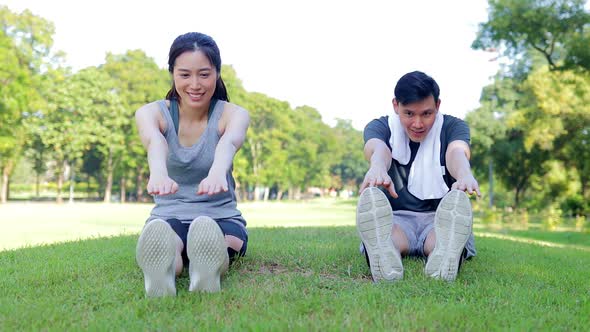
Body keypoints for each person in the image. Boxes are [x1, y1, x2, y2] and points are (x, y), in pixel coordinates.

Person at [134, 32, 250, 297]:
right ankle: (166, 270)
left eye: (204, 74)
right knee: (168, 242)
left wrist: (218, 172)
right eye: (185, 74)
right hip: (168, 219)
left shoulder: (234, 114)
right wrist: (159, 174)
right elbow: (155, 142)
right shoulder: (151, 113)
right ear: (172, 74)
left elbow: (228, 143)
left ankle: (206, 267)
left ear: (217, 74)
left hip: (220, 218)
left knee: (224, 241)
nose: (195, 84)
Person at [357, 71, 480, 282]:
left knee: (441, 239)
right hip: (395, 219)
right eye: (409, 113)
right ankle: (384, 253)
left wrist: (464, 174)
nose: (418, 123)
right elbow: (379, 148)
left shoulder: (453, 127)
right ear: (396, 105)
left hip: (440, 217)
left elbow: (456, 152)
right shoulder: (380, 126)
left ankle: (446, 253)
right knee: (390, 237)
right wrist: (377, 166)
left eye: (426, 113)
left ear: (438, 106)